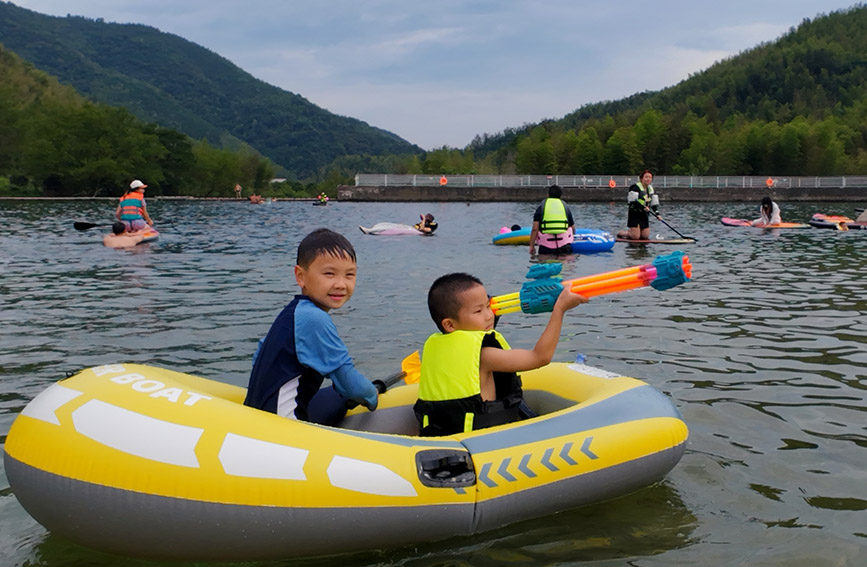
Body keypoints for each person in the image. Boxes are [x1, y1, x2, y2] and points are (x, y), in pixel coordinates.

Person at [413, 272, 587, 437]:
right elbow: (540, 357)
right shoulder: (485, 356)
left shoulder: (436, 347)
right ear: (450, 325)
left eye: (488, 306)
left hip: (442, 439)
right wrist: (560, 309)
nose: (489, 316)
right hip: (484, 445)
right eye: (478, 311)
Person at [244, 228, 379, 424]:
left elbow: (259, 355)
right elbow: (349, 383)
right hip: (282, 428)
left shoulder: (294, 311)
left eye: (349, 275)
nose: (341, 284)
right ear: (300, 276)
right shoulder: (314, 318)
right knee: (351, 394)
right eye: (329, 273)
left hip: (259, 415)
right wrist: (373, 396)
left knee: (336, 396)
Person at [529, 185, 575, 255]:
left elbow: (535, 229)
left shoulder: (541, 207)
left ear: (548, 195)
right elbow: (572, 228)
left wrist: (531, 246)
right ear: (560, 196)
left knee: (544, 263)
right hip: (564, 245)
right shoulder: (565, 206)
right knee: (565, 264)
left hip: (546, 246)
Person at [626, 170, 660, 240]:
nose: (648, 179)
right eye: (646, 177)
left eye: (650, 178)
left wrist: (657, 214)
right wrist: (643, 207)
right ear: (641, 178)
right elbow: (633, 201)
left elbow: (653, 204)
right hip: (634, 213)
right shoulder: (635, 187)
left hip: (644, 214)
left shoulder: (650, 189)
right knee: (635, 237)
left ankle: (636, 231)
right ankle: (623, 233)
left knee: (645, 236)